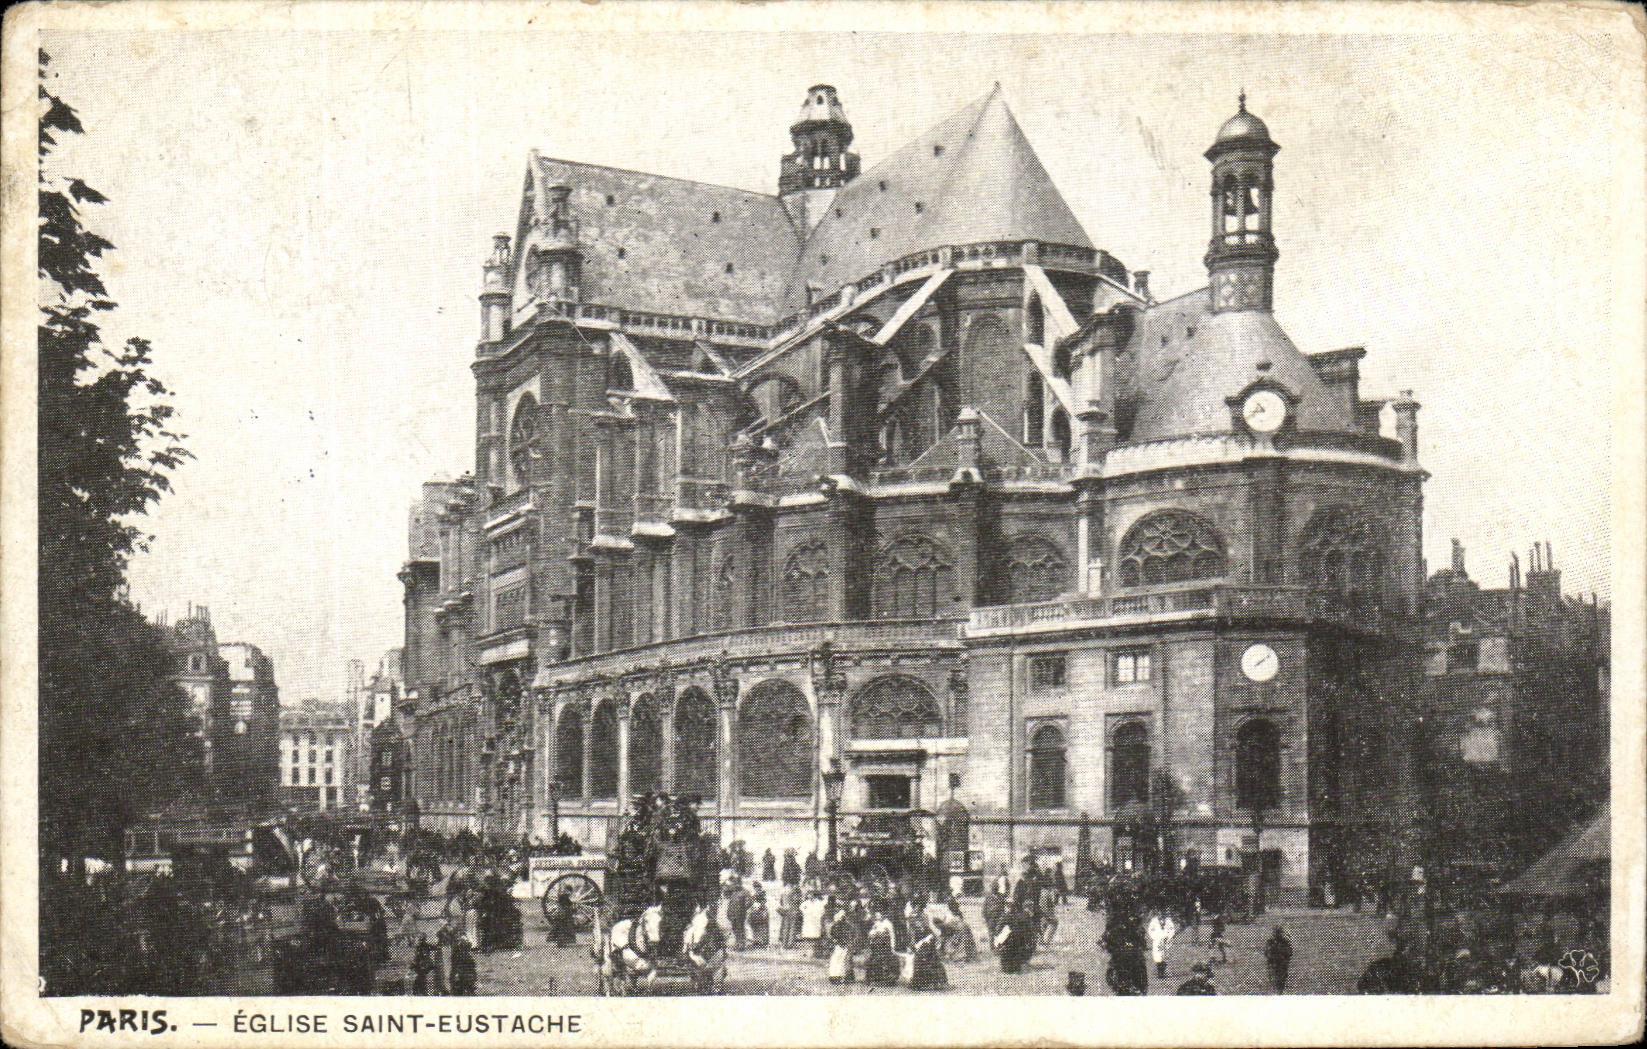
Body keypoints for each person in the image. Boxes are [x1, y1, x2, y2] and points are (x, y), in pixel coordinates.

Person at [908, 914, 948, 990]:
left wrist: (934, 944)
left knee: (933, 962)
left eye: (920, 922)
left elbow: (936, 938)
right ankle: (922, 982)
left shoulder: (928, 927)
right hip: (923, 948)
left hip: (930, 948)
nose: (918, 923)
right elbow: (914, 942)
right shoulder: (916, 929)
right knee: (920, 961)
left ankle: (938, 982)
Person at [995, 902, 1036, 974]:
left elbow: (997, 933)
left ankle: (1013, 965)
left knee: (1007, 968)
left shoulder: (1005, 918)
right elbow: (1030, 933)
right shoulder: (1022, 917)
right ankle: (1021, 963)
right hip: (1019, 950)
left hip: (1007, 950)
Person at [863, 908, 900, 986]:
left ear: (882, 915)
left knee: (885, 961)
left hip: (885, 946)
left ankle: (887, 979)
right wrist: (872, 934)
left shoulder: (888, 923)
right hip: (876, 945)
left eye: (878, 915)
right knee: (874, 960)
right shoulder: (876, 923)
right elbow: (871, 933)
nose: (876, 917)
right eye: (876, 915)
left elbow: (892, 936)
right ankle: (876, 978)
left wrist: (893, 947)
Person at [1264, 925, 1293, 993]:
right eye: (1276, 932)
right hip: (1274, 965)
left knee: (1280, 983)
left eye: (1278, 932)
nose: (1277, 934)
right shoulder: (1270, 942)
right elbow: (1267, 953)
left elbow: (1289, 953)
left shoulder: (1284, 942)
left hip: (1281, 965)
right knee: (1275, 983)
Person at [725, 880, 750, 950]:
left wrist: (744, 908)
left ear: (740, 884)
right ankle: (737, 943)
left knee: (740, 929)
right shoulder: (734, 892)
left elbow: (750, 901)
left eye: (737, 884)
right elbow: (730, 902)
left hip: (740, 914)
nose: (736, 886)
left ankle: (741, 945)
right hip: (732, 914)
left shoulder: (745, 892)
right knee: (735, 929)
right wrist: (728, 913)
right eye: (735, 884)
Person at [777, 882, 801, 949]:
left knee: (785, 927)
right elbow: (796, 900)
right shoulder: (793, 890)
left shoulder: (784, 890)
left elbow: (781, 901)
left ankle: (784, 943)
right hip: (792, 910)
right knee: (792, 927)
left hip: (785, 909)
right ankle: (790, 944)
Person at [1148, 912, 1170, 980]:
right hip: (1157, 940)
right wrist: (1154, 937)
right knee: (1158, 956)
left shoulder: (1168, 921)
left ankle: (1163, 971)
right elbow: (1150, 930)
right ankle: (1160, 972)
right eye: (1159, 914)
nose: (1161, 915)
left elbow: (1171, 929)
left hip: (1166, 941)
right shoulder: (1154, 921)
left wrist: (1168, 937)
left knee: (1165, 956)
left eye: (1162, 914)